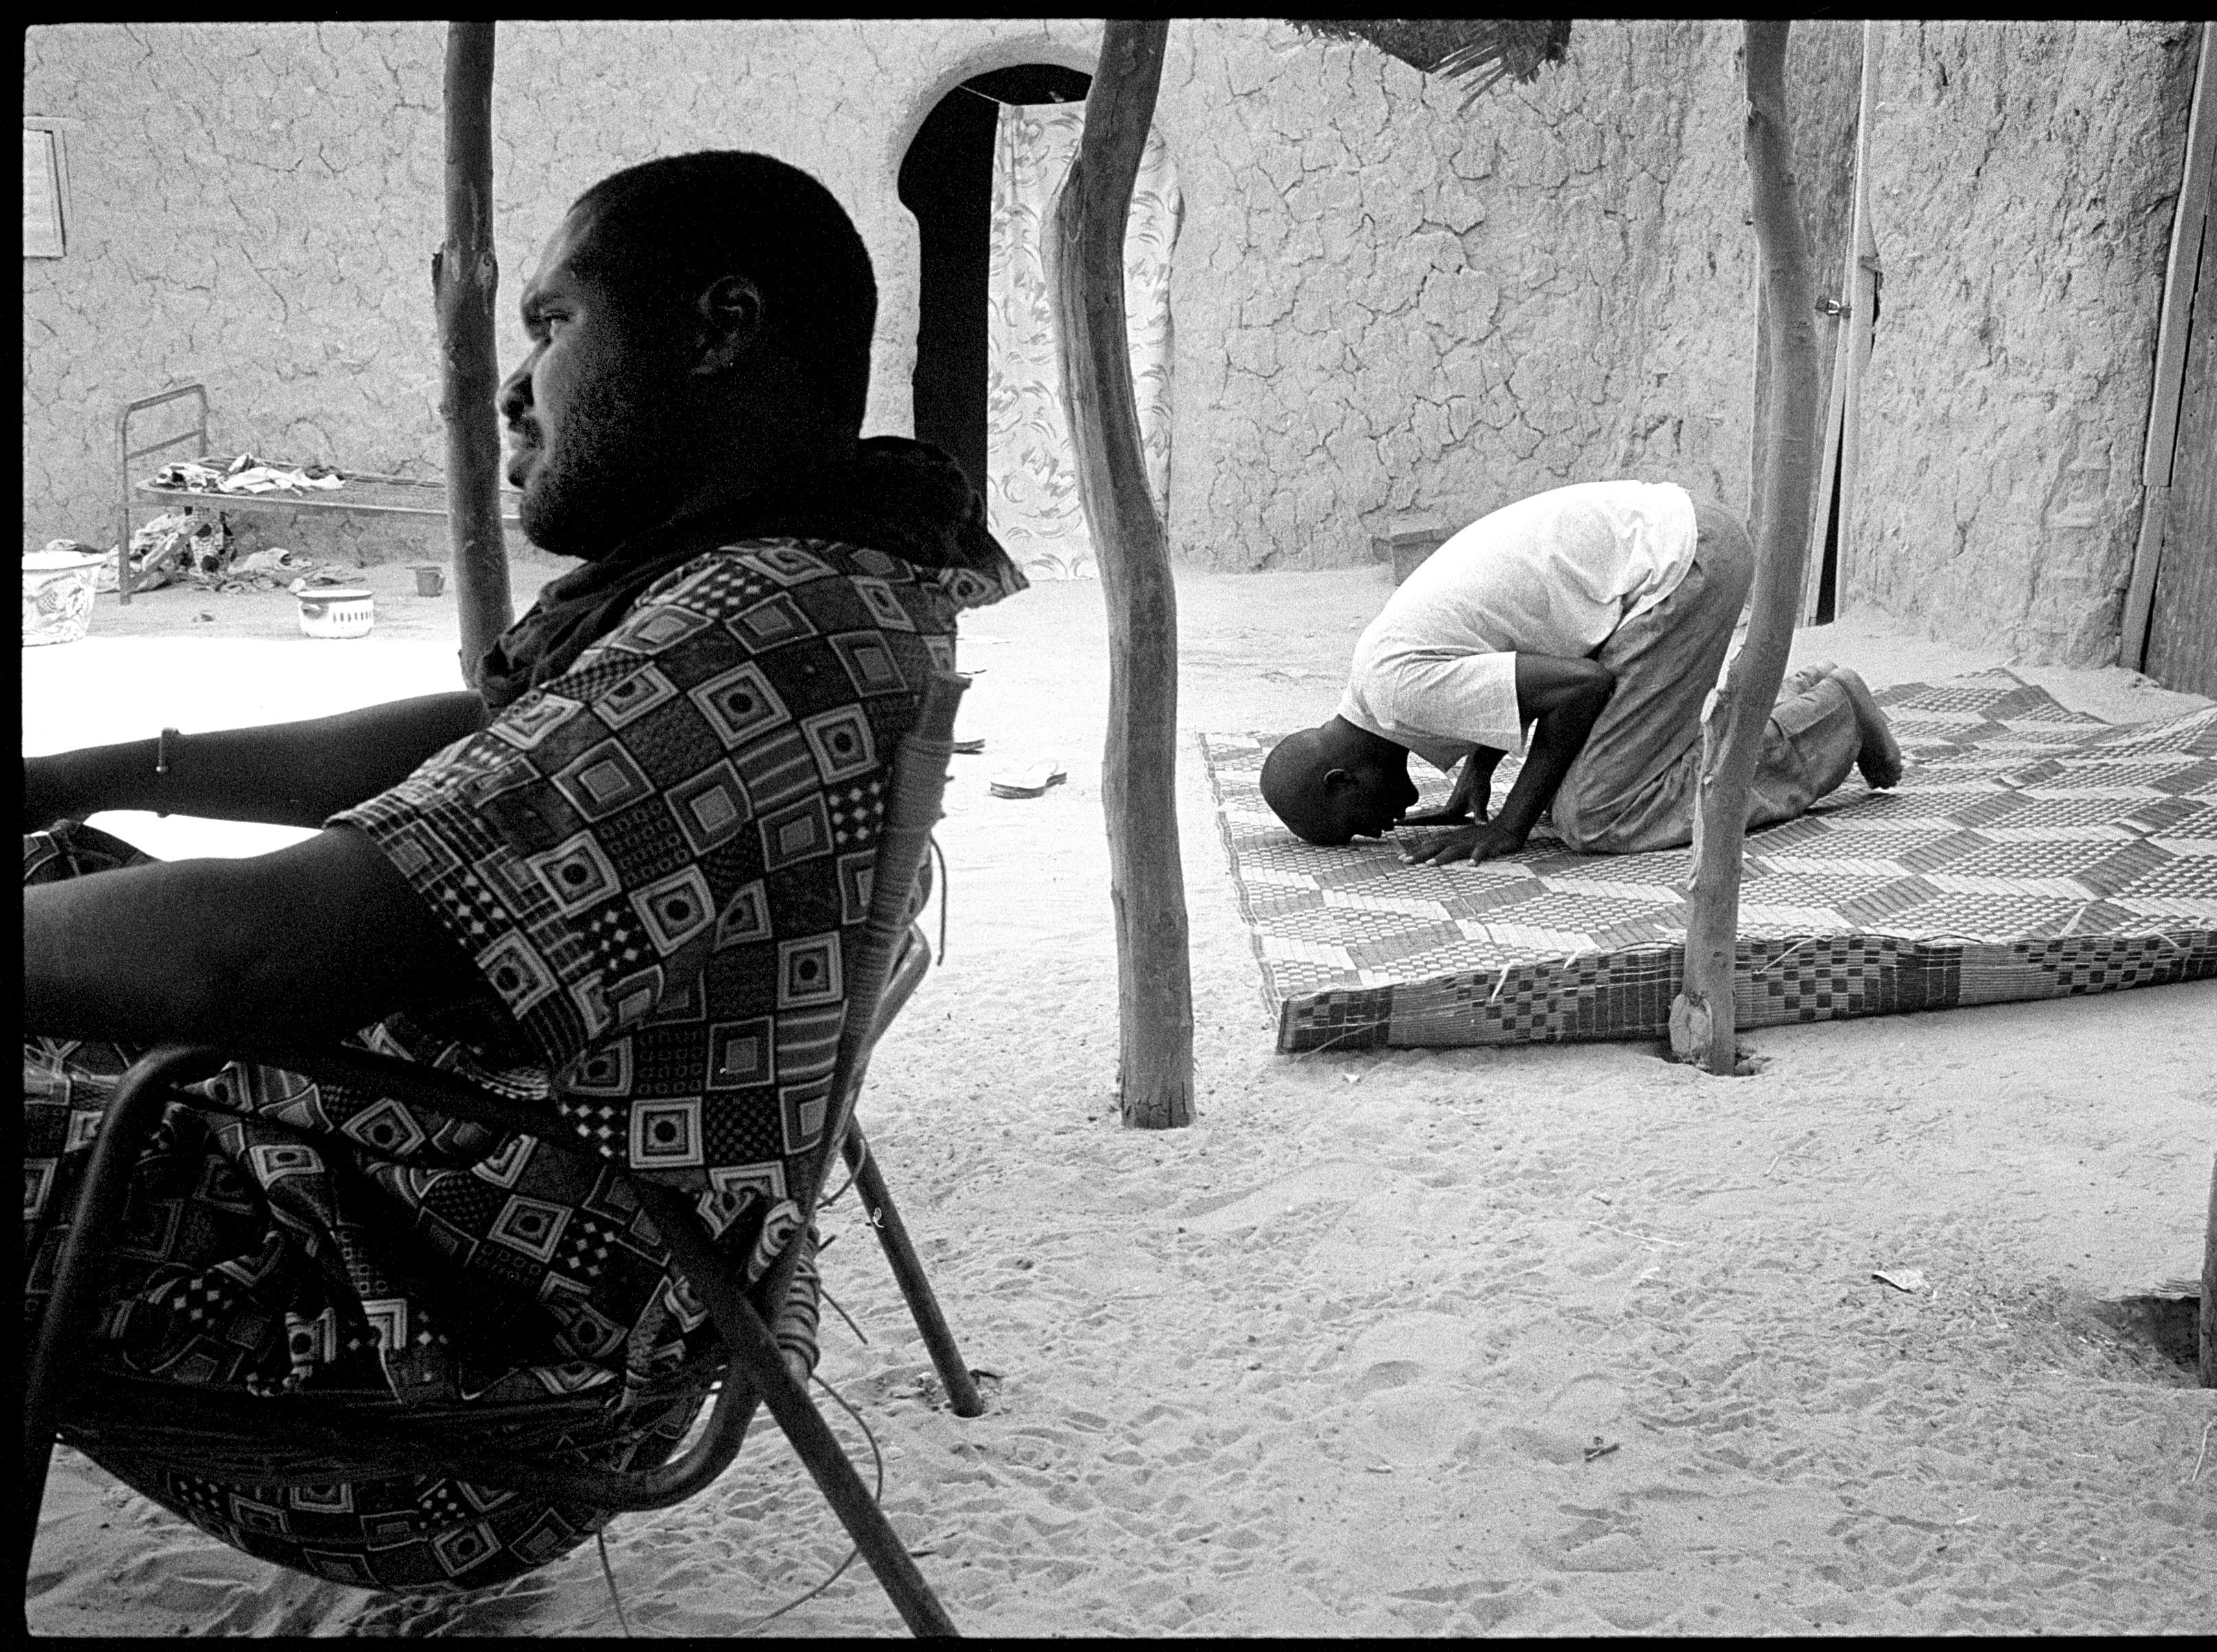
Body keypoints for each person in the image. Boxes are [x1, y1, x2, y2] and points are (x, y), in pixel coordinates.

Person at [21, 151, 1024, 1593]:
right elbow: (482, 741)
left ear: (717, 327)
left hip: (443, 1355)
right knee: (57, 866)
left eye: (552, 324)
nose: (512, 385)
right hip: (461, 1216)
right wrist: (94, 772)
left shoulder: (759, 629)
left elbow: (251, 956)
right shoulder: (805, 577)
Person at [1258, 481, 1902, 864]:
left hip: (1679, 566)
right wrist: (1479, 772)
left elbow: (1579, 687)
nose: (1375, 831)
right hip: (1669, 544)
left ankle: (1832, 717)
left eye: (1355, 825)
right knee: (1570, 787)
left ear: (1341, 781)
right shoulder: (1375, 680)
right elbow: (1504, 658)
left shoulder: (1396, 693)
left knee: (1596, 812)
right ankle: (1804, 696)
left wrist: (1508, 828)